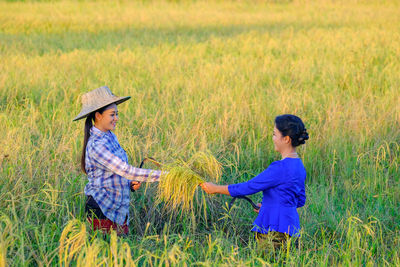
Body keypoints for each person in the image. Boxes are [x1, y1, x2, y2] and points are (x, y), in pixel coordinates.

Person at [200, 114, 309, 249]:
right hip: (292, 229)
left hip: (273, 229)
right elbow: (299, 200)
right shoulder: (299, 166)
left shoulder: (279, 168)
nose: (273, 138)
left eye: (275, 134)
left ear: (286, 139)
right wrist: (269, 206)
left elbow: (248, 187)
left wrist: (215, 188)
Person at [73, 86, 163, 236]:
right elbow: (127, 171)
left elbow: (116, 172)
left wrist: (129, 184)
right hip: (102, 209)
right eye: (112, 114)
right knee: (105, 255)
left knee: (120, 255)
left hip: (118, 209)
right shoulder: (97, 146)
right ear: (98, 116)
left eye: (117, 114)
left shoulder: (110, 136)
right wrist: (167, 176)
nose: (116, 118)